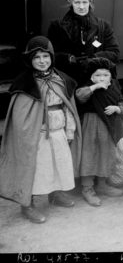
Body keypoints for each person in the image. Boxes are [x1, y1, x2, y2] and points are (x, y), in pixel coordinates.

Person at [0, 36, 82, 223]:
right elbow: (21, 117)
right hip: (37, 135)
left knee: (58, 163)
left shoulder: (60, 79)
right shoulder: (25, 83)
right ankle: (27, 204)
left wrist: (69, 129)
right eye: (37, 57)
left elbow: (68, 106)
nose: (42, 61)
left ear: (52, 57)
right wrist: (29, 136)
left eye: (45, 56)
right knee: (36, 169)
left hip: (58, 131)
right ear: (30, 60)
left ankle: (56, 195)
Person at [76, 57, 123, 206]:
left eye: (105, 75)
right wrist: (94, 88)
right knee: (89, 154)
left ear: (111, 77)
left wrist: (116, 108)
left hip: (108, 126)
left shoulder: (114, 88)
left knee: (106, 153)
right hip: (90, 125)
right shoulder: (87, 87)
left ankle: (102, 184)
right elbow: (79, 96)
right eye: (98, 75)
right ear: (91, 77)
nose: (101, 78)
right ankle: (87, 188)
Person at [48, 0, 120, 85]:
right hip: (68, 83)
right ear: (70, 1)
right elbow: (51, 55)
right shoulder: (57, 27)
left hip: (96, 83)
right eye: (77, 2)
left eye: (84, 2)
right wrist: (68, 59)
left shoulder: (103, 26)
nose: (81, 7)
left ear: (90, 1)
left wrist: (94, 59)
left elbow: (114, 53)